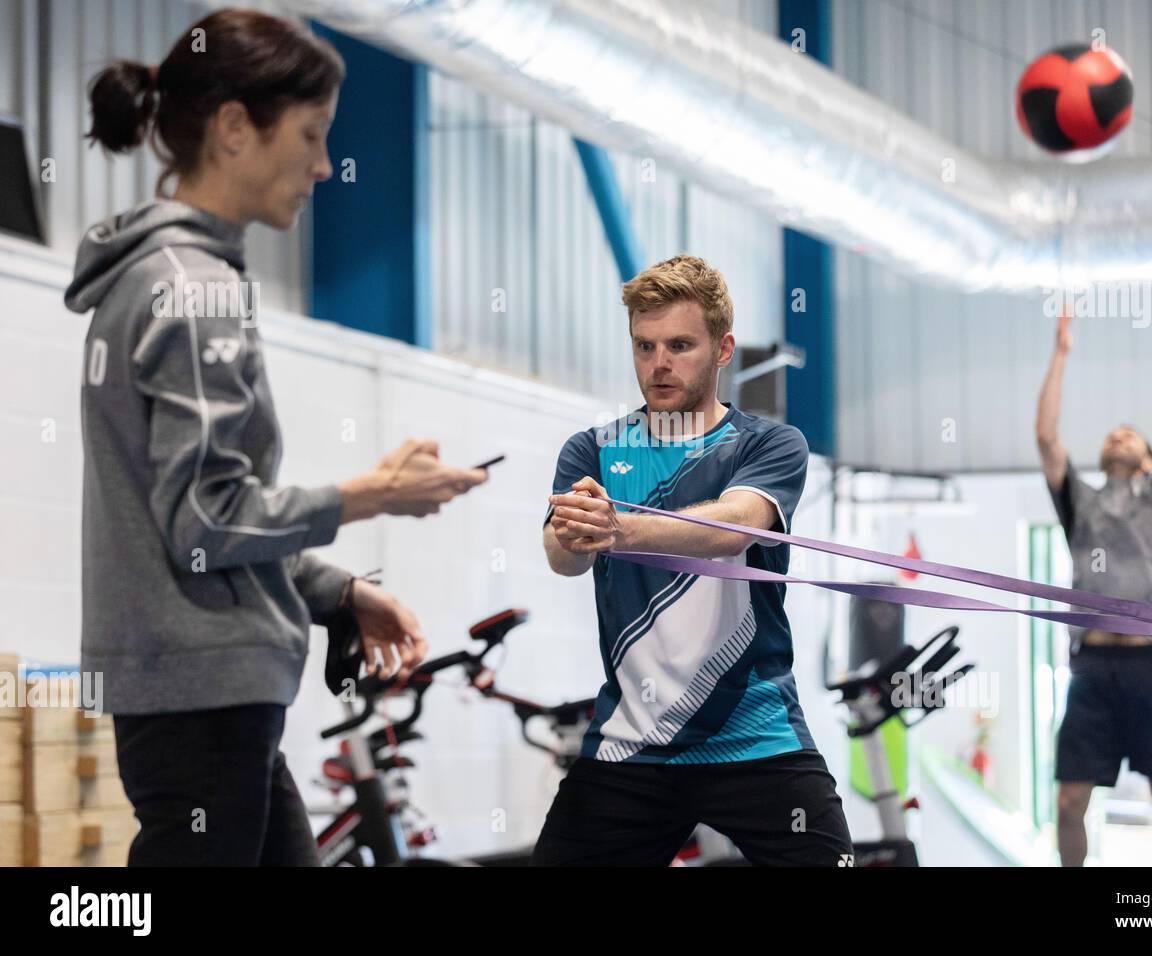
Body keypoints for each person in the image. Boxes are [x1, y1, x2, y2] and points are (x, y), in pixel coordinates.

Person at [65, 8, 487, 866]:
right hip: (202, 692)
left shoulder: (165, 279)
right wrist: (375, 494)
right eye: (311, 135)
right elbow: (207, 521)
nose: (325, 165)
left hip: (207, 694)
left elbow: (188, 517)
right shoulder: (195, 290)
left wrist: (331, 589)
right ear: (233, 128)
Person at [535, 255, 852, 866]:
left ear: (723, 347)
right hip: (633, 744)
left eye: (680, 344)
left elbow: (736, 527)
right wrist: (573, 536)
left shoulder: (768, 443)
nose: (659, 363)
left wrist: (616, 528)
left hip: (755, 736)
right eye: (644, 345)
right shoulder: (594, 449)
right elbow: (562, 556)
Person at [1035, 303, 1152, 867]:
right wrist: (1060, 354)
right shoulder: (1081, 500)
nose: (1118, 435)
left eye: (1130, 435)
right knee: (1068, 800)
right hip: (1093, 669)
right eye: (1113, 432)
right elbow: (1047, 437)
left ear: (1151, 463)